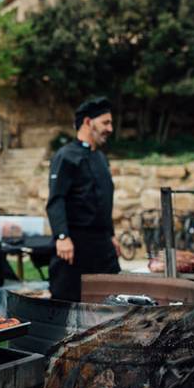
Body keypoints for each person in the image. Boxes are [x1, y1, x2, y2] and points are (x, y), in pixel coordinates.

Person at [45, 97, 120, 301]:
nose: (110, 128)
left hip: (102, 244)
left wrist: (111, 234)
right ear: (88, 122)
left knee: (112, 301)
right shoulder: (65, 156)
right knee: (68, 303)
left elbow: (103, 201)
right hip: (74, 245)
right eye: (105, 122)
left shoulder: (101, 158)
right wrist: (62, 237)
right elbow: (56, 199)